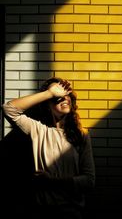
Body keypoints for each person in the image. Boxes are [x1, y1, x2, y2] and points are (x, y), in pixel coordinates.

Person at [2, 77, 95, 219]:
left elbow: (89, 180)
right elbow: (9, 108)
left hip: (71, 213)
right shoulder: (38, 130)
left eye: (66, 95)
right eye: (57, 97)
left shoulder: (81, 135)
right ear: (48, 104)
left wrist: (52, 182)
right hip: (42, 213)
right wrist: (50, 93)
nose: (64, 99)